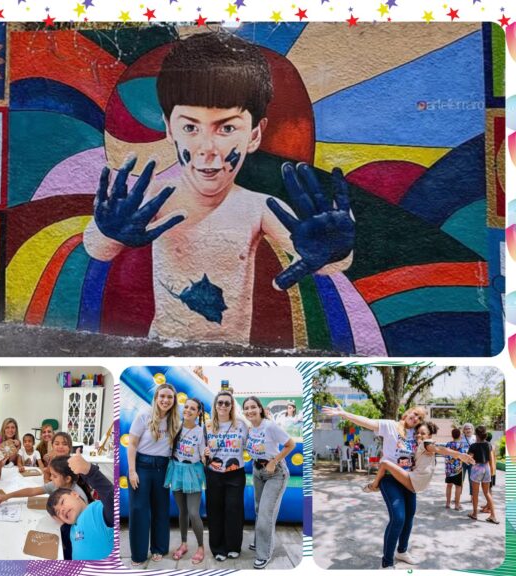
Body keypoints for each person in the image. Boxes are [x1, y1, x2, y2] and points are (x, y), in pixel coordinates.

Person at [82, 31, 354, 344]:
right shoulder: (155, 199)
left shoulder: (258, 207)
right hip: (163, 348)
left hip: (231, 352)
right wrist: (106, 231)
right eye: (190, 127)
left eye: (226, 127)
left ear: (253, 135)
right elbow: (97, 250)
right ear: (169, 129)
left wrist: (337, 249)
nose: (207, 148)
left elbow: (324, 263)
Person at [322, 403, 427, 569]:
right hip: (389, 479)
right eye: (414, 414)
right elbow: (367, 421)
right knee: (398, 518)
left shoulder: (417, 433)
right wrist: (344, 414)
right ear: (407, 413)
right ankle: (387, 564)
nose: (415, 419)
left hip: (408, 479)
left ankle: (402, 551)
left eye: (419, 418)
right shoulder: (391, 426)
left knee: (409, 516)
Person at [127, 382, 179, 567]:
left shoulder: (175, 421)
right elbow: (132, 445)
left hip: (163, 468)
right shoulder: (144, 416)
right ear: (156, 398)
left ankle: (159, 548)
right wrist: (132, 471)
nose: (165, 400)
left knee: (161, 509)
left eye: (169, 397)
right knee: (139, 510)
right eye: (162, 396)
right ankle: (138, 554)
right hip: (142, 466)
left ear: (174, 401)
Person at [242, 396, 295, 570]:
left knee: (266, 513)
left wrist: (274, 461)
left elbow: (291, 444)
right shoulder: (251, 429)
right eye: (246, 408)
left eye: (253, 407)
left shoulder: (270, 426)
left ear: (260, 408)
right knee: (259, 509)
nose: (250, 410)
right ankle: (260, 542)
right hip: (257, 470)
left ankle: (264, 554)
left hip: (275, 473)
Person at [363, 422, 473, 494]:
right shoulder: (420, 446)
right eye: (417, 433)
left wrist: (459, 455)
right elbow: (409, 462)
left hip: (415, 481)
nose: (418, 435)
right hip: (418, 484)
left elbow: (439, 449)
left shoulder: (426, 443)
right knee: (388, 465)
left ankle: (374, 486)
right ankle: (377, 485)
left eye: (423, 433)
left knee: (385, 463)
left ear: (429, 436)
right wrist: (402, 449)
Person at [46, 453, 114, 560]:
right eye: (58, 512)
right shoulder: (72, 529)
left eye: (62, 502)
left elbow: (112, 499)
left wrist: (90, 471)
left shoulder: (96, 510)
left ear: (74, 494)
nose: (62, 510)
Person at [206, 389, 248, 562]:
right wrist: (204, 452)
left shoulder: (241, 425)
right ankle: (218, 548)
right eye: (220, 403)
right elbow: (201, 449)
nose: (223, 406)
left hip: (235, 474)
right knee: (215, 511)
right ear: (215, 406)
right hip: (214, 474)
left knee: (234, 509)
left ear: (232, 406)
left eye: (227, 403)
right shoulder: (207, 426)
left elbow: (250, 445)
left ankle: (233, 546)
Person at [164, 397, 207, 565]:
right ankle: (183, 544)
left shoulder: (200, 431)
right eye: (186, 407)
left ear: (198, 412)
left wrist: (206, 454)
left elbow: (203, 454)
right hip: (176, 470)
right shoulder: (175, 426)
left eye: (192, 408)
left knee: (194, 512)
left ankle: (201, 547)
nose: (188, 410)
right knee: (182, 511)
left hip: (192, 472)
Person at [467, 426, 498, 524]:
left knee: (475, 493)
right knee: (487, 493)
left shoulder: (473, 446)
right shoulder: (488, 444)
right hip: (487, 468)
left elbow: (469, 459)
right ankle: (493, 515)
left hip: (477, 469)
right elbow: (490, 458)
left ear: (476, 435)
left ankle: (474, 514)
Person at [443, 428, 465, 510]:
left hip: (449, 470)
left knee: (449, 486)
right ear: (459, 435)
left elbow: (445, 454)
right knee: (458, 487)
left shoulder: (448, 444)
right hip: (458, 469)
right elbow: (462, 456)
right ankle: (457, 505)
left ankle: (448, 503)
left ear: (452, 435)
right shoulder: (461, 445)